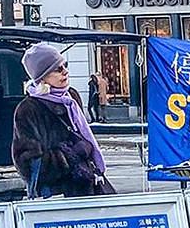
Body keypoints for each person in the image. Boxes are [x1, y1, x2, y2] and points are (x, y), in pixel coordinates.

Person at [12, 43, 114, 197]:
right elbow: (29, 165)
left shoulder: (71, 97)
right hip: (59, 196)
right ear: (42, 77)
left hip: (89, 186)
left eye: (65, 65)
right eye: (58, 69)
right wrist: (71, 154)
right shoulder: (28, 109)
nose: (65, 71)